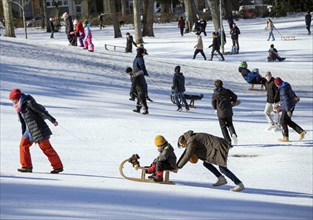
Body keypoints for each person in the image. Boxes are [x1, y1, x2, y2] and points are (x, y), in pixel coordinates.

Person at [8, 89, 63, 174]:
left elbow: (42, 111)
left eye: (13, 99)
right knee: (23, 146)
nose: (12, 101)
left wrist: (52, 120)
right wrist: (23, 131)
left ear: (18, 98)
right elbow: (23, 120)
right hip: (28, 130)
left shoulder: (29, 103)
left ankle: (58, 167)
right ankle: (26, 166)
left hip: (38, 129)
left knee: (46, 148)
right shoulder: (18, 106)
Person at [175, 130, 245, 192]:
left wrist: (178, 167)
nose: (184, 147)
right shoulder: (191, 138)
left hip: (219, 147)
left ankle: (239, 184)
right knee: (206, 164)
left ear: (184, 141)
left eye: (183, 145)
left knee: (222, 168)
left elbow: (187, 155)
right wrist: (177, 166)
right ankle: (221, 178)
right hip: (217, 146)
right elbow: (185, 153)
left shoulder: (192, 140)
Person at [274, 78, 306, 142]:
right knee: (287, 121)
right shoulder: (286, 85)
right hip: (290, 106)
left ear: (277, 84)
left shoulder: (282, 89)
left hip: (288, 107)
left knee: (282, 121)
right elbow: (292, 94)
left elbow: (286, 100)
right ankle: (301, 131)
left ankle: (285, 137)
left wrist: (288, 110)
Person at [211, 80, 238, 145]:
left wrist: (215, 108)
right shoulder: (227, 91)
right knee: (230, 124)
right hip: (228, 110)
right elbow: (235, 97)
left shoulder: (214, 94)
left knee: (223, 127)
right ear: (222, 84)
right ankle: (233, 134)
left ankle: (228, 140)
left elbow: (213, 103)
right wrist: (231, 100)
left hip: (220, 112)